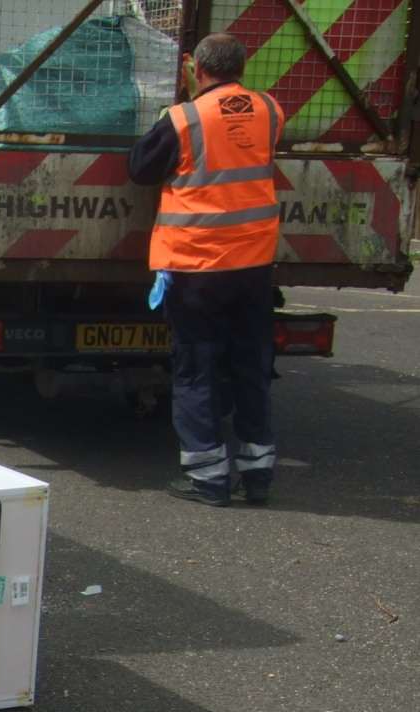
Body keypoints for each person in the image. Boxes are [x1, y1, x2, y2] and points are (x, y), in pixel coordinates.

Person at [130, 33, 282, 507]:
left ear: (196, 69)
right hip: (254, 264)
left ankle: (209, 478)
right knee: (250, 366)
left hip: (197, 265)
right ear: (243, 65)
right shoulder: (269, 110)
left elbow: (140, 169)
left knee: (196, 370)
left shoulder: (182, 119)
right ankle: (258, 475)